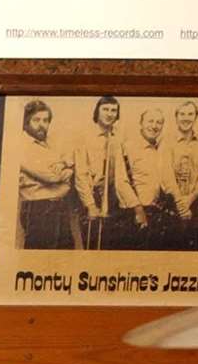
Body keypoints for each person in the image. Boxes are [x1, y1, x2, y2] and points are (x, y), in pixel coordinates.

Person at [17, 99, 75, 249]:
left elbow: (70, 160)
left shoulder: (50, 142)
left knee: (64, 258)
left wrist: (63, 165)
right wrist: (66, 171)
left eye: (46, 120)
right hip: (37, 209)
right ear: (26, 122)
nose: (42, 124)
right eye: (36, 120)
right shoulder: (21, 145)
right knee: (39, 260)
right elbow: (51, 177)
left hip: (59, 207)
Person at [72, 95, 126, 249]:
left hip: (112, 198)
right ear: (97, 111)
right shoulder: (85, 137)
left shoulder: (117, 137)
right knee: (92, 244)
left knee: (110, 247)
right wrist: (90, 205)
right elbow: (80, 174)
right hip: (91, 196)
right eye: (106, 109)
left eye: (114, 110)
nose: (110, 114)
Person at [116, 106, 171, 250]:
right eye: (150, 121)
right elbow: (121, 182)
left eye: (159, 122)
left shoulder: (160, 149)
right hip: (135, 214)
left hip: (155, 212)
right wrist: (138, 210)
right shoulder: (129, 147)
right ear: (141, 123)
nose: (154, 126)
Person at [166, 100, 198, 251]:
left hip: (196, 203)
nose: (186, 118)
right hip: (172, 203)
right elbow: (165, 174)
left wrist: (190, 199)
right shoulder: (166, 142)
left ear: (196, 117)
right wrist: (180, 202)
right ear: (176, 117)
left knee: (195, 250)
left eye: (190, 114)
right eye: (182, 114)